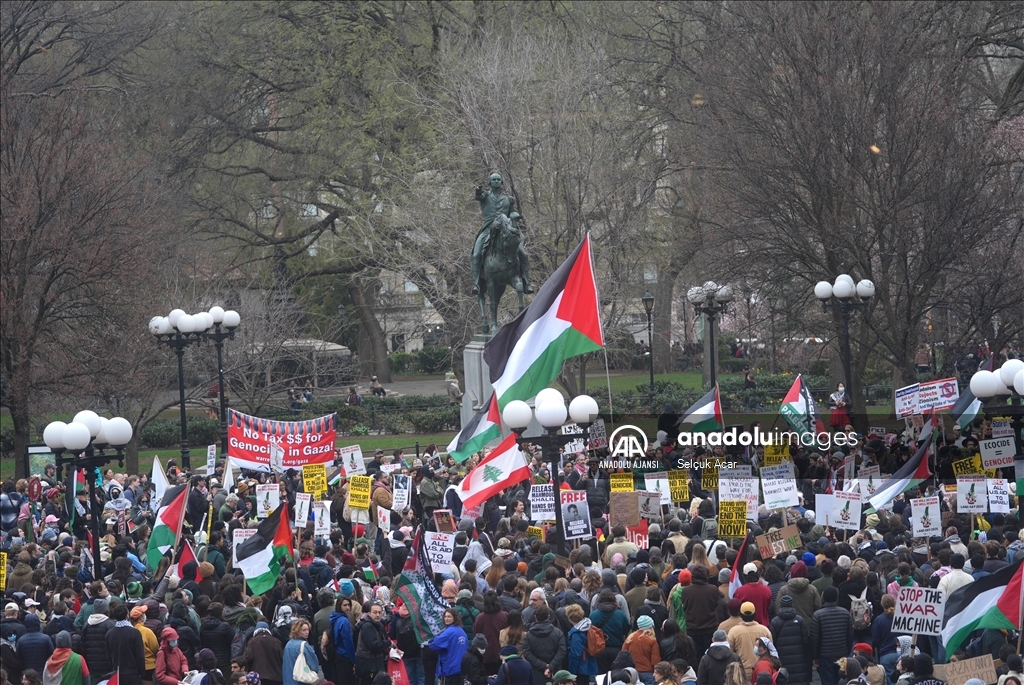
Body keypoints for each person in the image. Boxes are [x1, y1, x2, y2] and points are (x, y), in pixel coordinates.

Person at [810, 587, 854, 685]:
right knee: (841, 679)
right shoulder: (845, 613)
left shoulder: (818, 615)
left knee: (827, 681)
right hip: (842, 652)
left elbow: (814, 638)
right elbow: (850, 635)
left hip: (825, 655)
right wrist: (847, 650)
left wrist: (815, 656)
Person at [769, 595, 811, 685]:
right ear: (792, 605)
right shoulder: (799, 620)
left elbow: (772, 643)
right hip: (799, 661)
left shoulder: (775, 622)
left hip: (782, 660)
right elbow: (806, 642)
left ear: (781, 605)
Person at [521, 605, 566, 685]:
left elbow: (527, 653)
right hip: (555, 671)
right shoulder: (558, 633)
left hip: (536, 671)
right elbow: (562, 651)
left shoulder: (528, 635)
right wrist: (550, 666)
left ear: (535, 617)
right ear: (548, 616)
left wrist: (544, 666)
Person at [426, 608, 469, 685]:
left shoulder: (448, 632)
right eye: (445, 616)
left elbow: (434, 644)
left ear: (455, 618)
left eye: (449, 617)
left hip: (449, 668)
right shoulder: (461, 631)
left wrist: (431, 640)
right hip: (461, 667)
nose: (446, 619)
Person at [355, 603, 388, 685]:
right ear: (369, 613)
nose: (377, 615)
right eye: (375, 612)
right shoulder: (367, 627)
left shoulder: (378, 625)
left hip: (375, 663)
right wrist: (388, 643)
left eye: (379, 613)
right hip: (368, 666)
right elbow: (374, 646)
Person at [624, 615, 662, 685]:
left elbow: (623, 655)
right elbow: (655, 661)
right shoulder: (652, 641)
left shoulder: (630, 638)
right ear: (651, 627)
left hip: (633, 672)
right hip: (648, 672)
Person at [282, 619, 319, 685]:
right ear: (297, 631)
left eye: (308, 629)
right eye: (304, 630)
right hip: (301, 680)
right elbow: (314, 665)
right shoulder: (304, 645)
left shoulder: (288, 644)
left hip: (288, 680)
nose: (307, 632)